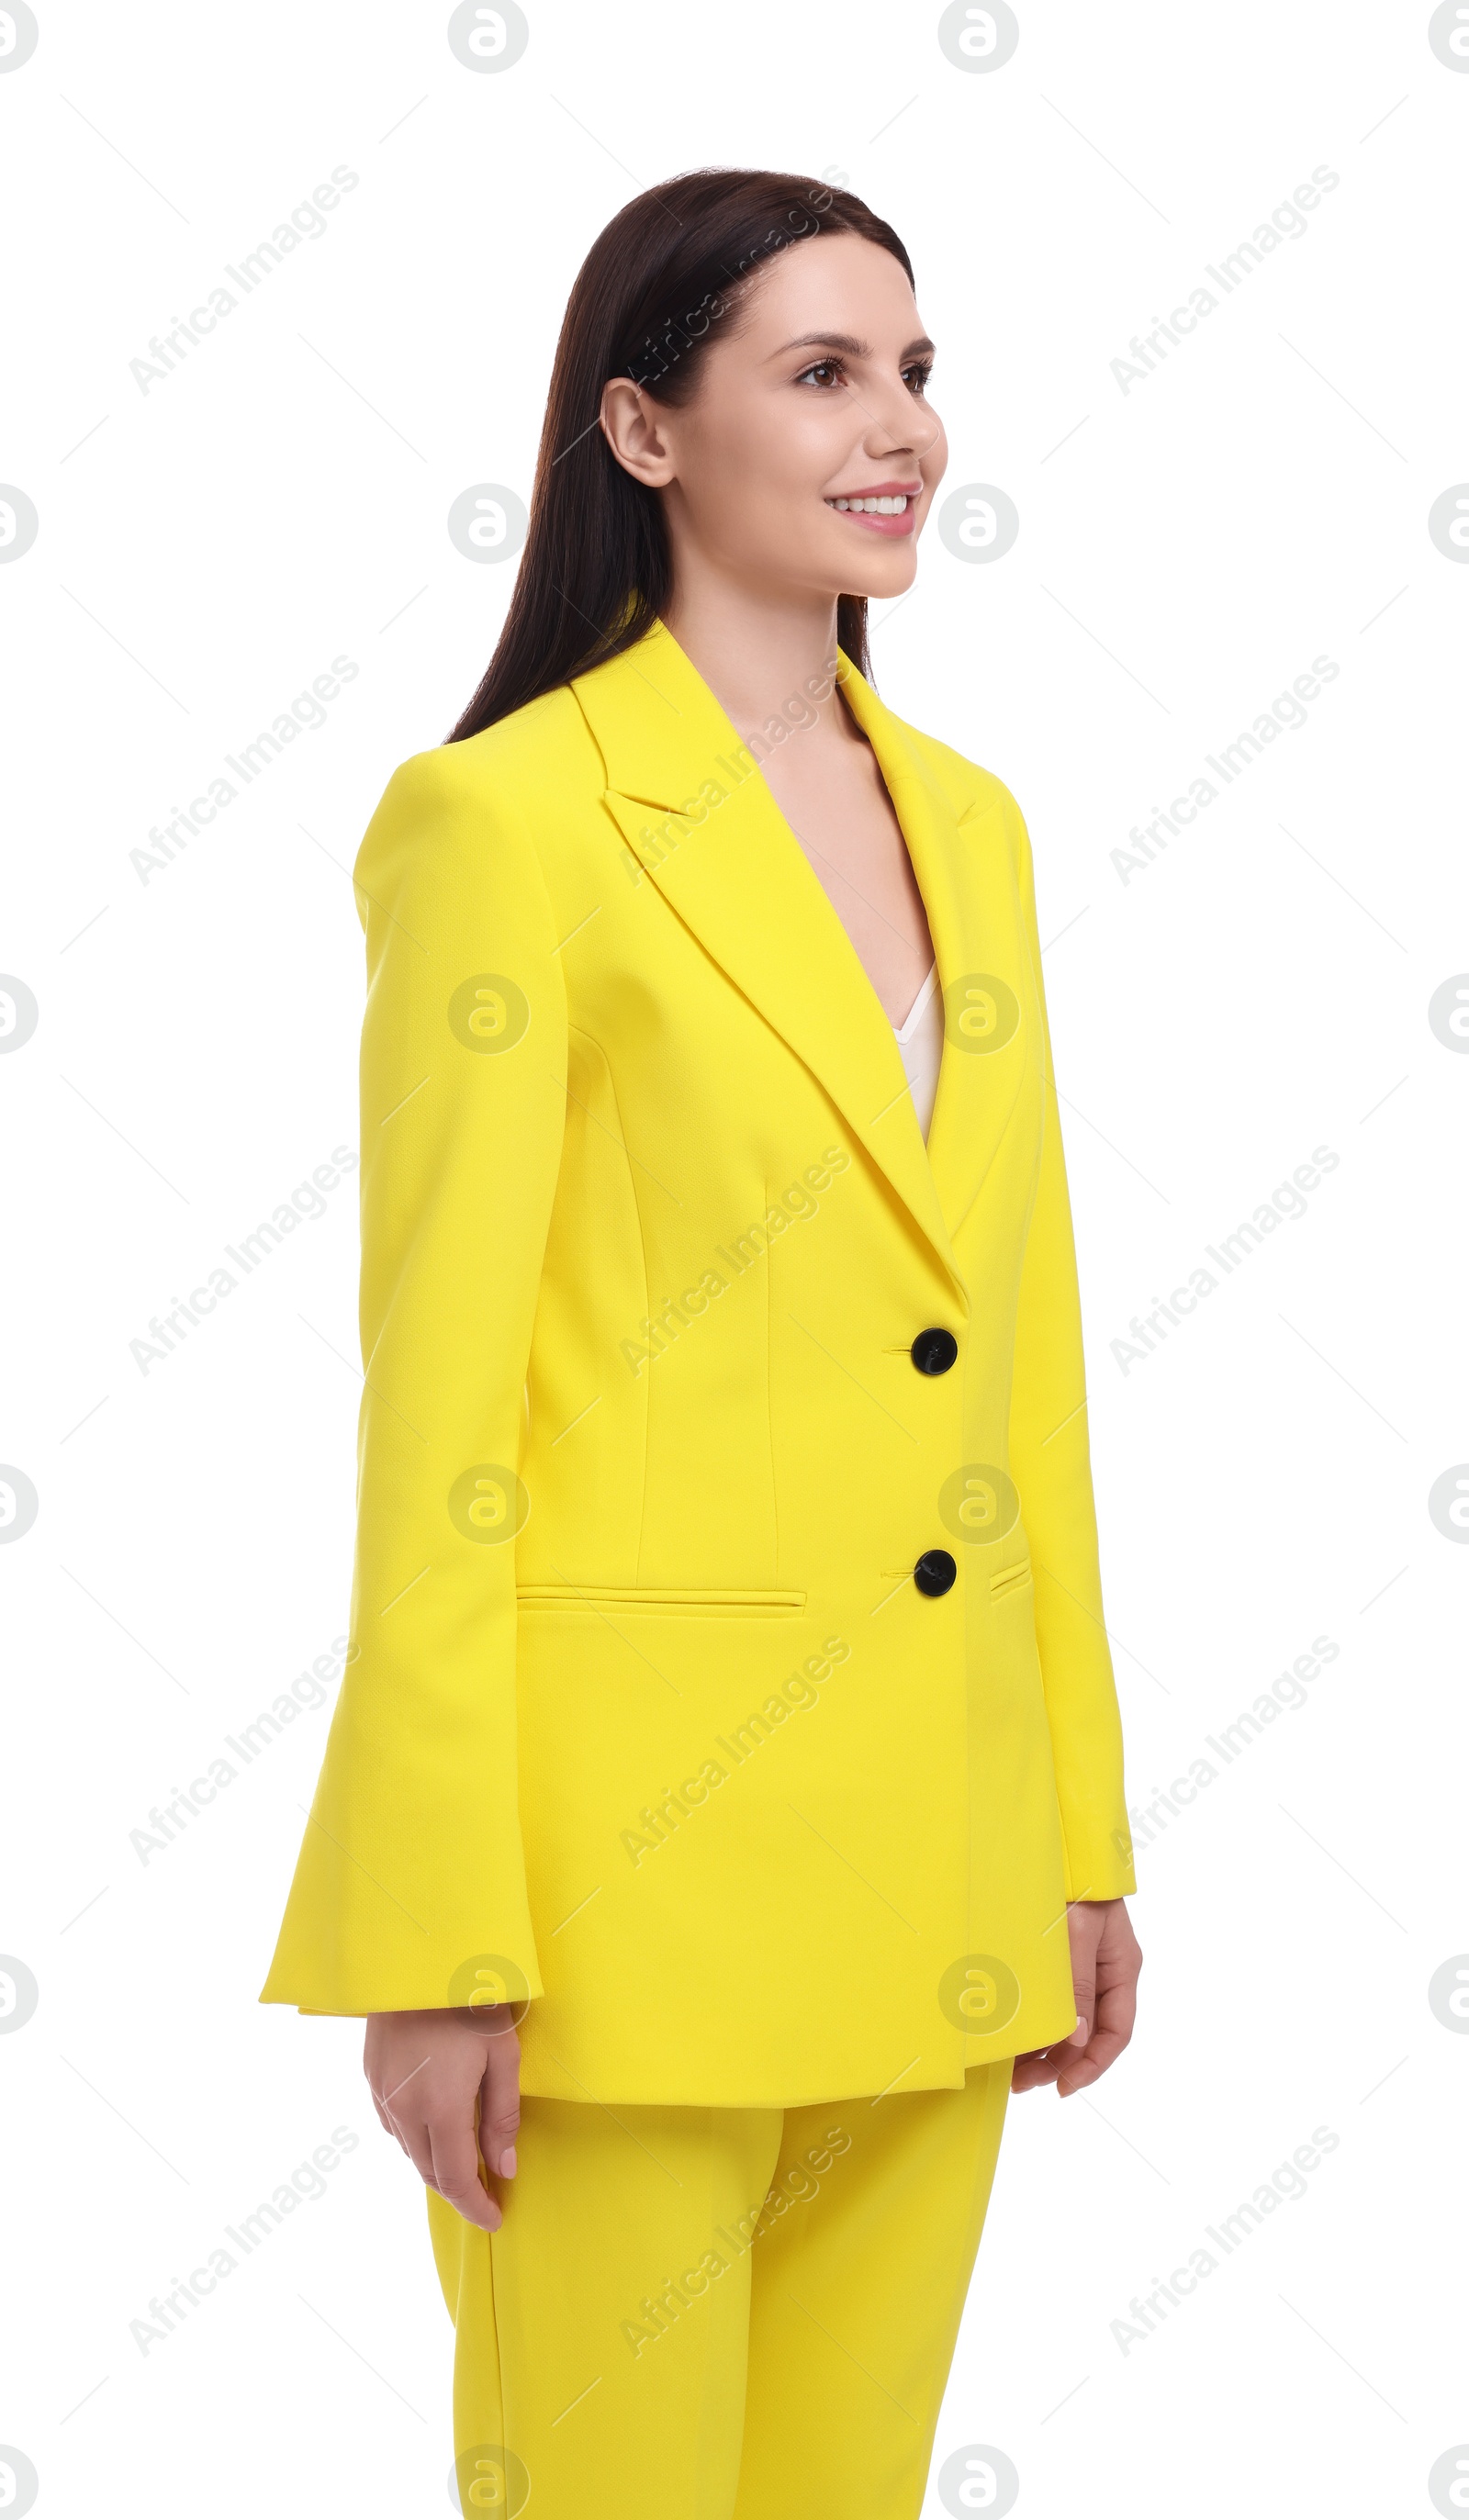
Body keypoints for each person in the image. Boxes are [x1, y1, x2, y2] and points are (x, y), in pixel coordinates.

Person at [261, 166, 1142, 2519]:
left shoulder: (974, 826)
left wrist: (1070, 1821)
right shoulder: (504, 822)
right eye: (823, 371)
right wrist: (437, 1926)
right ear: (643, 433)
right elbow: (436, 1411)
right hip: (614, 1906)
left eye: (917, 370)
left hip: (936, 1871)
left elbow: (1017, 1358)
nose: (902, 429)